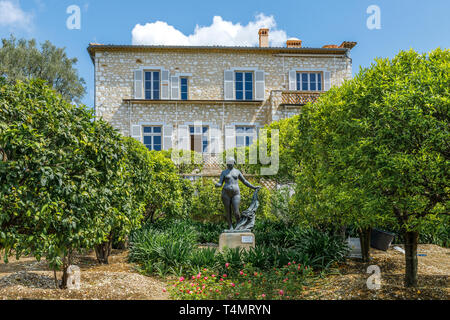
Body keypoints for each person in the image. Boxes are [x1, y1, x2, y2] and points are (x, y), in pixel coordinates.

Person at [215, 157, 260, 231]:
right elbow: (220, 182)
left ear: (234, 163)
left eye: (231, 163)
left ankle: (239, 226)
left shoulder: (237, 172)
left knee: (236, 211)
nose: (229, 165)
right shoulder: (224, 172)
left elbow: (244, 181)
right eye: (228, 164)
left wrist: (253, 187)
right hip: (226, 193)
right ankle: (230, 227)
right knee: (228, 211)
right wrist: (218, 184)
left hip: (236, 193)